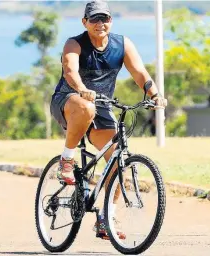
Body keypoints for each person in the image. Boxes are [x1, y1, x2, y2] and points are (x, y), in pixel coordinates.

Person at [49, 0, 168, 239]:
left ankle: (105, 218)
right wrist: (82, 88)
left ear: (111, 21)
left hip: (101, 105)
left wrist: (154, 94)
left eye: (105, 19)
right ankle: (66, 160)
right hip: (69, 100)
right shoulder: (75, 43)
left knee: (117, 162)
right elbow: (70, 71)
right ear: (85, 22)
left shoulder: (122, 44)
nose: (100, 24)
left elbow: (140, 73)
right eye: (94, 19)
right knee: (85, 108)